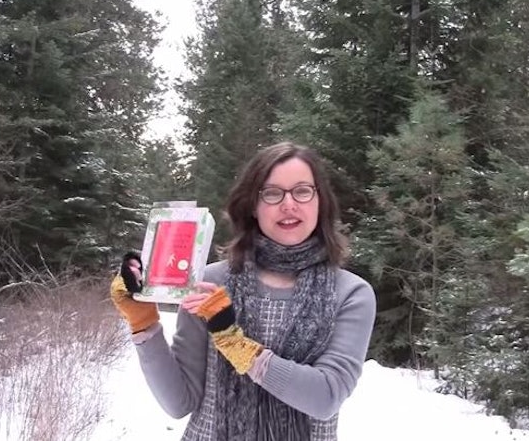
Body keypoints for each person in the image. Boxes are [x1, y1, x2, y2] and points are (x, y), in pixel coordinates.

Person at [109, 141, 376, 440]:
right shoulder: (209, 282)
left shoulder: (351, 293)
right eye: (272, 193)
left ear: (320, 201)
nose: (289, 204)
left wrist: (237, 345)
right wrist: (143, 322)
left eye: (302, 190)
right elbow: (179, 402)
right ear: (253, 206)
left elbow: (325, 397)